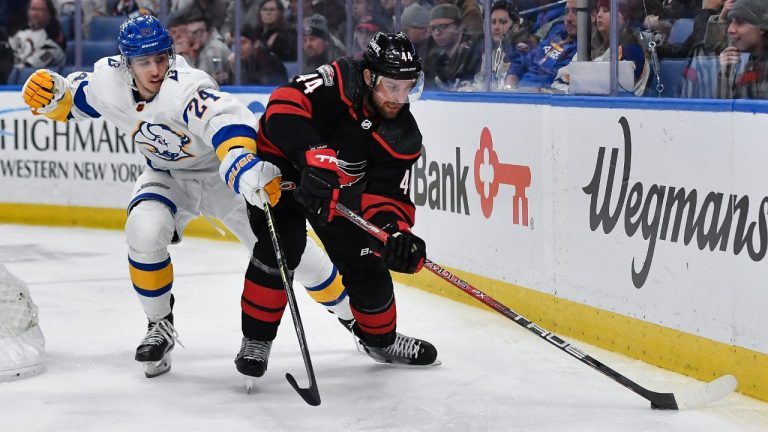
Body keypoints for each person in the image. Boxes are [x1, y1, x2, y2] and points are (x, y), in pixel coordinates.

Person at [19, 15, 353, 380]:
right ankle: (159, 324)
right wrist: (53, 96)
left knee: (296, 257)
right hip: (167, 175)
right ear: (125, 63)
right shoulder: (107, 81)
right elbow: (76, 102)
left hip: (221, 176)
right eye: (144, 62)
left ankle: (359, 321)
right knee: (143, 232)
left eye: (161, 58)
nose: (156, 69)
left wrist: (241, 159)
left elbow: (226, 121)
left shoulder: (187, 86)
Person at [236, 32, 439, 381]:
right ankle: (256, 340)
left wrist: (394, 234)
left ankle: (381, 342)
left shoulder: (403, 135)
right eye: (391, 86)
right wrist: (309, 155)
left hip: (336, 195)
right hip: (282, 173)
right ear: (367, 76)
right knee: (281, 247)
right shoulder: (337, 80)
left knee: (368, 269)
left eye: (407, 88)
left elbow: (387, 197)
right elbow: (282, 106)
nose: (399, 98)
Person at [8, 0, 65, 69]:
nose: (35, 14)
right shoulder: (22, 32)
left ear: (50, 14)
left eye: (40, 10)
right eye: (33, 9)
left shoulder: (54, 39)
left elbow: (28, 68)